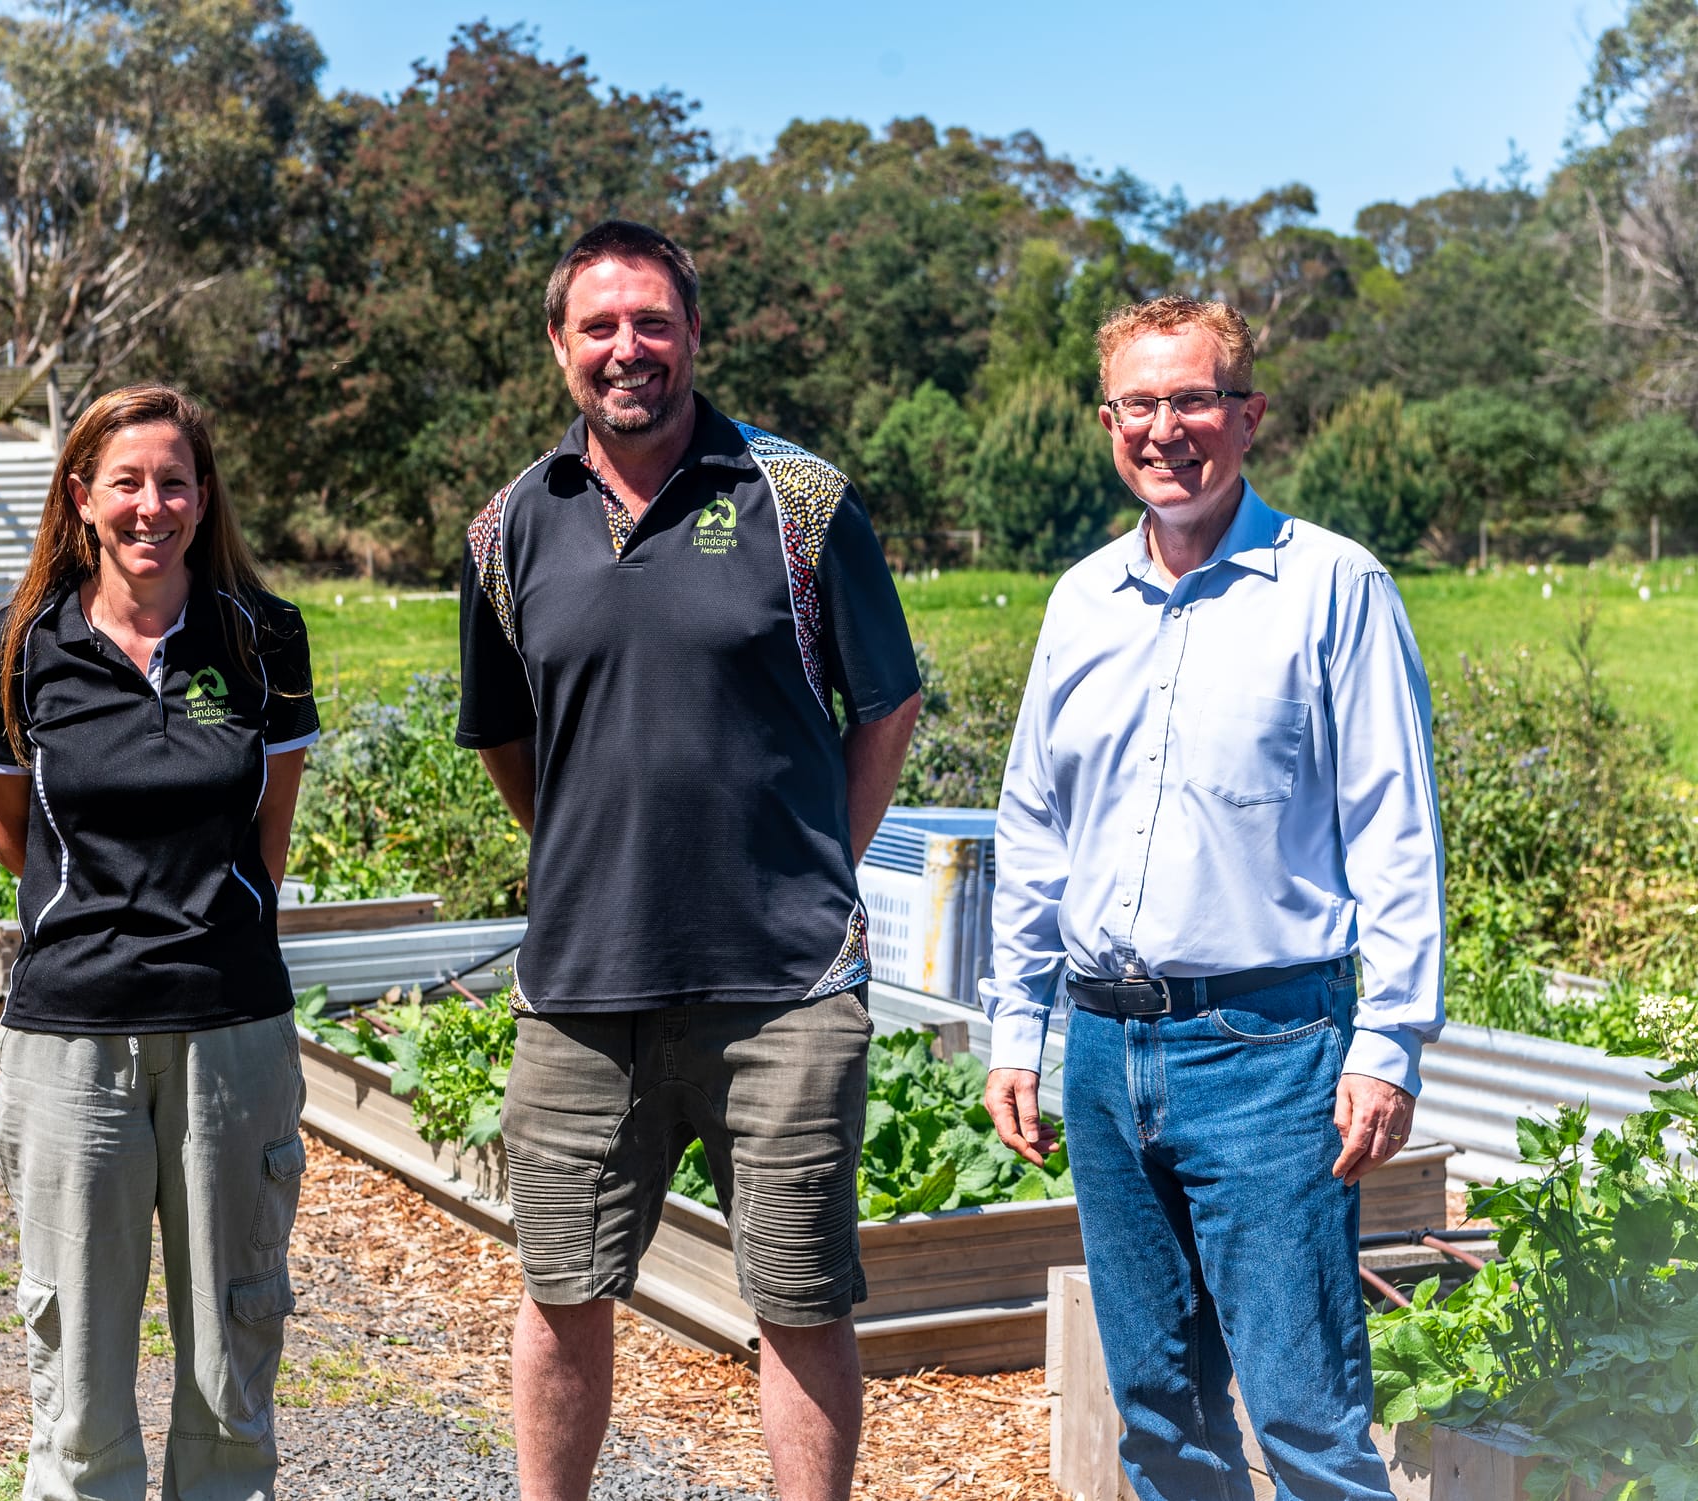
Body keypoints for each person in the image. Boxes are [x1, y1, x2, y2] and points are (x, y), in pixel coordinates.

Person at [456, 219, 922, 1501]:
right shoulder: (507, 528)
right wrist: (578, 855)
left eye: (652, 322)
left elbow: (883, 705)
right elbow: (503, 733)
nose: (627, 349)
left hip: (783, 988)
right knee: (560, 1291)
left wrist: (821, 863)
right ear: (558, 345)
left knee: (802, 1299)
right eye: (598, 325)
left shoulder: (798, 498)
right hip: (579, 988)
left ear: (694, 337)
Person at [980, 297, 1446, 1501]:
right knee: (1158, 1418)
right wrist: (1014, 1025)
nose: (1165, 429)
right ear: (1106, 421)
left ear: (1247, 417)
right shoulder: (1078, 600)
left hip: (1268, 1048)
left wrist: (1388, 1041)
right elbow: (1034, 824)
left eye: (1192, 400)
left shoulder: (1331, 586)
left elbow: (1394, 829)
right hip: (1100, 1046)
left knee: (1304, 1420)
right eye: (1139, 404)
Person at [0, 384, 320, 1501]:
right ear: (81, 497)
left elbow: (268, 829)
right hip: (72, 1043)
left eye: (174, 481)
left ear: (203, 498)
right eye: (127, 482)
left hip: (232, 1034)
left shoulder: (261, 636)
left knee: (229, 1356)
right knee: (76, 1371)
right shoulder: (18, 647)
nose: (151, 505)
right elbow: (14, 837)